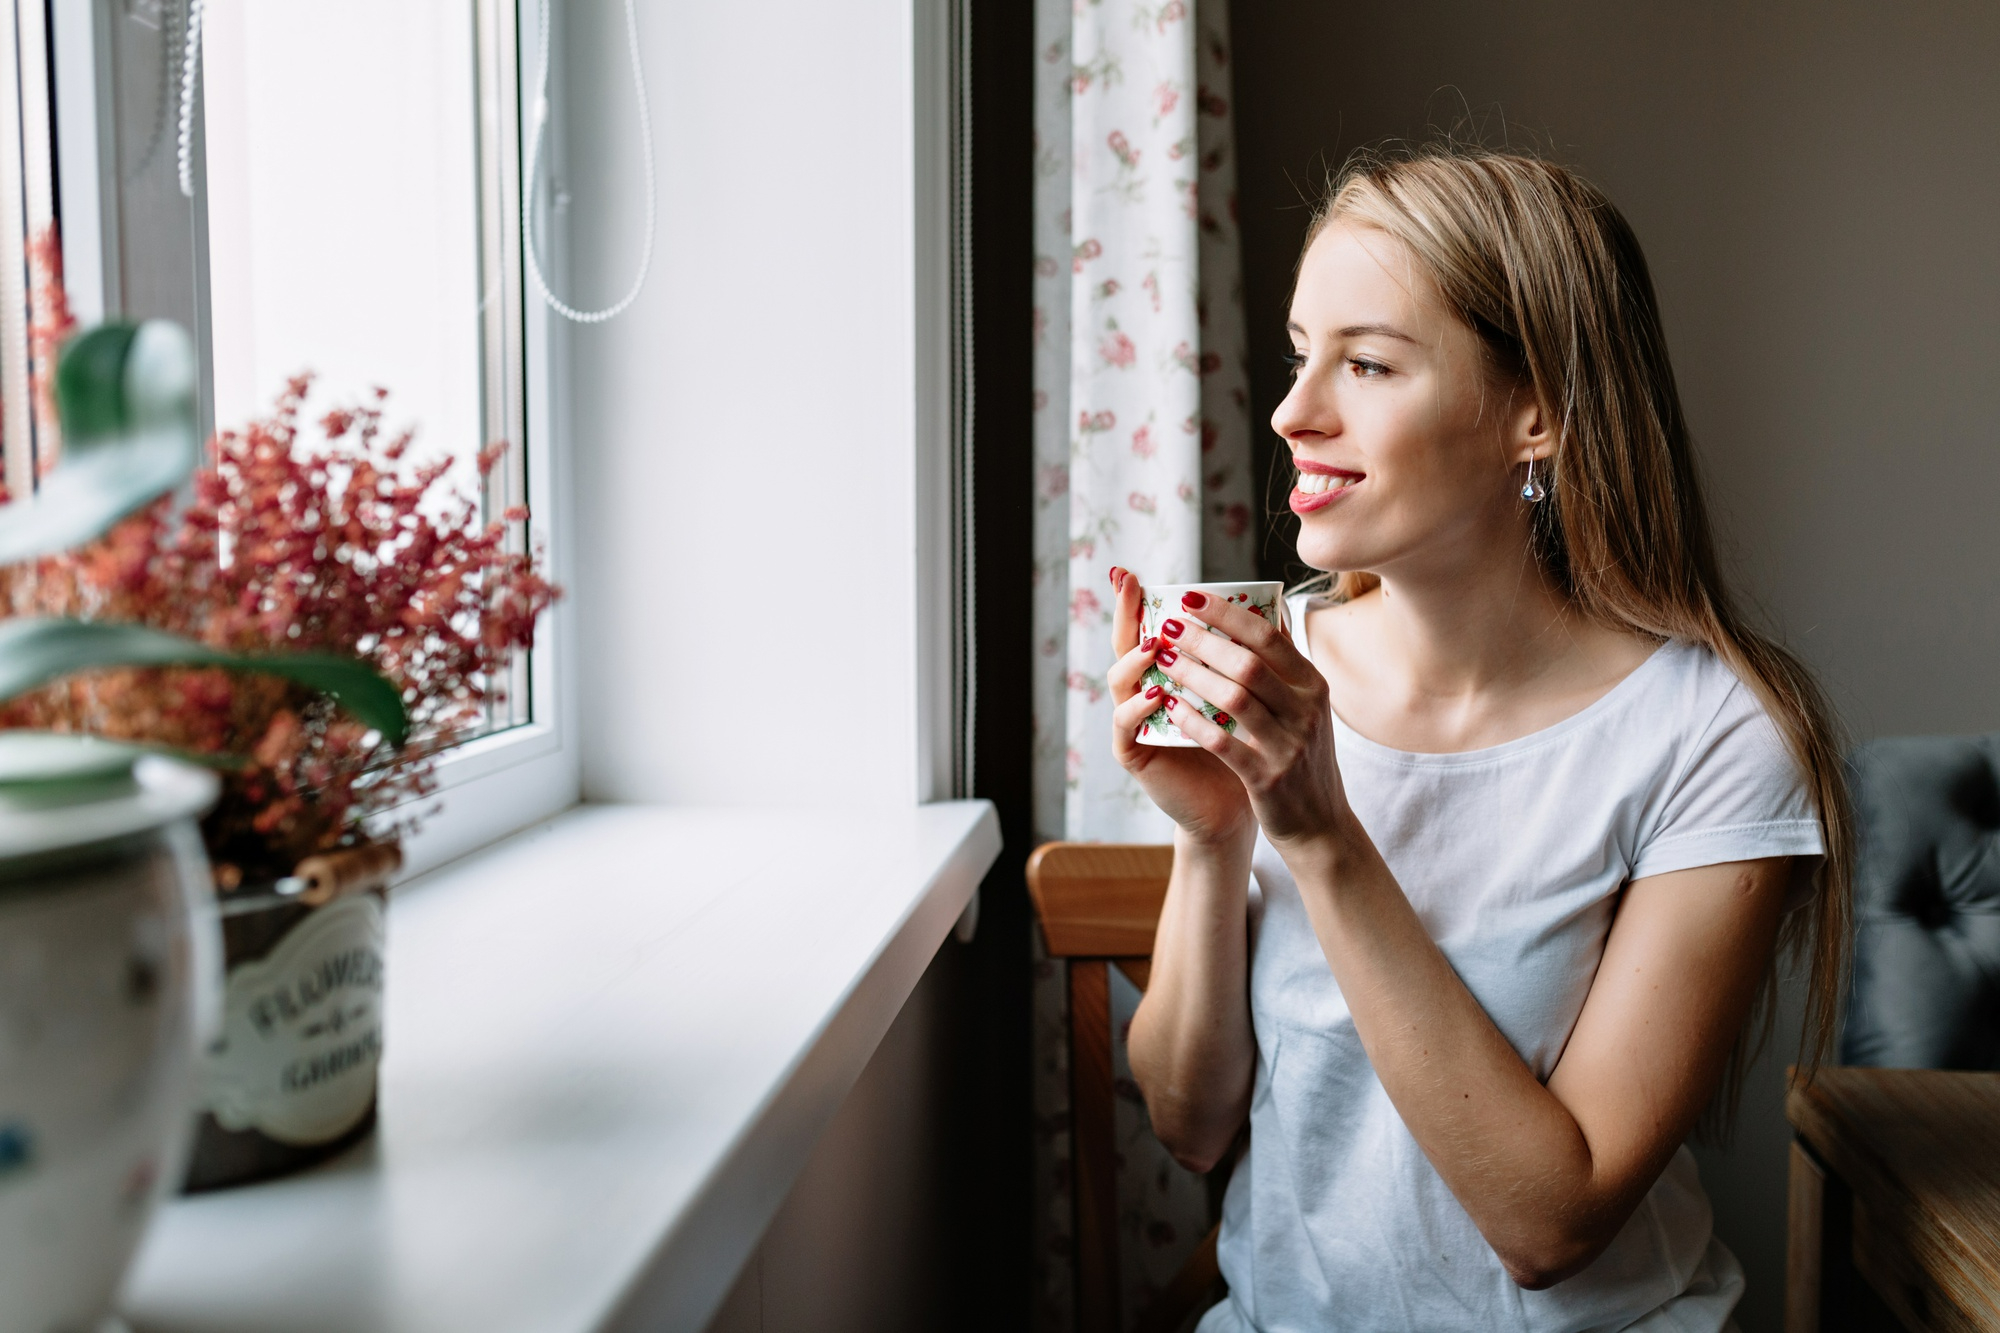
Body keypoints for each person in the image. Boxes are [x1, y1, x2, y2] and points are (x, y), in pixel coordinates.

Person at [1107, 146, 1850, 1332]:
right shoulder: (1269, 679)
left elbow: (1548, 1226)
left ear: (1534, 412)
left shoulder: (1713, 735)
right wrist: (1210, 840)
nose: (1294, 413)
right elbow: (1188, 1127)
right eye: (1301, 356)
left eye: (1367, 363)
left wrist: (1319, 834)